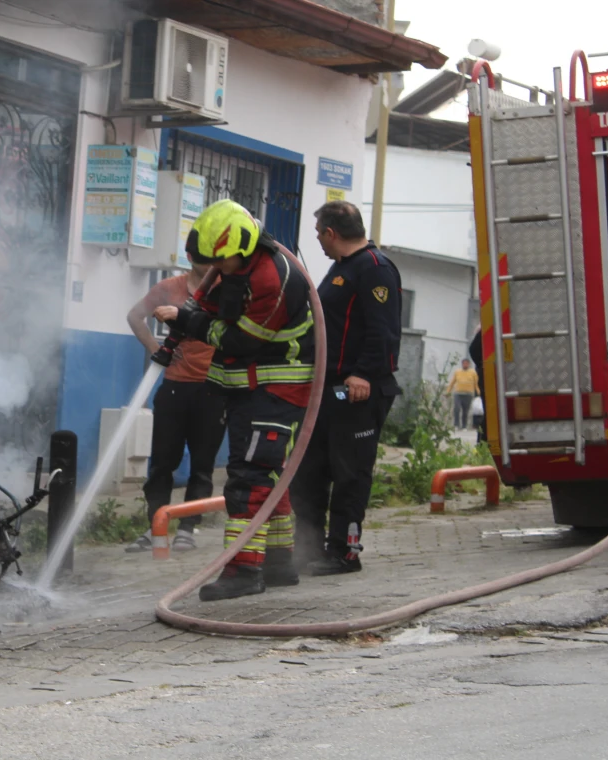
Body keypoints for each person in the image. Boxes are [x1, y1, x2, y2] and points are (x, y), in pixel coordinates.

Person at [153, 199, 314, 600]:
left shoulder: (273, 280)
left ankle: (243, 572)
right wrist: (186, 316)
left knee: (249, 479)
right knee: (270, 478)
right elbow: (214, 305)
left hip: (275, 390)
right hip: (253, 390)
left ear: (239, 250)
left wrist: (189, 321)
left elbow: (240, 339)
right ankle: (278, 564)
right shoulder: (239, 265)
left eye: (218, 263)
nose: (214, 271)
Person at [290, 201, 402, 576]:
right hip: (328, 390)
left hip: (356, 392)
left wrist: (364, 375)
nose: (318, 241)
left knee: (350, 475)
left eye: (319, 233)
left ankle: (344, 552)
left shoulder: (374, 269)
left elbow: (382, 330)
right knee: (310, 473)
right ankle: (309, 547)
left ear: (331, 233)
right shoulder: (341, 270)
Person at [123, 251, 225, 554]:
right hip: (174, 387)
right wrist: (157, 349)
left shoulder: (227, 290)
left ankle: (188, 528)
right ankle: (156, 524)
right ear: (191, 256)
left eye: (215, 258)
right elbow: (134, 315)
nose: (210, 264)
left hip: (213, 388)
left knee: (202, 466)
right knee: (162, 462)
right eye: (203, 257)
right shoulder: (171, 287)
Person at [445, 358, 480, 430]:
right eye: (464, 363)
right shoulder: (457, 372)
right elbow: (452, 382)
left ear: (469, 364)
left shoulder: (473, 373)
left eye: (466, 363)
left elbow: (476, 384)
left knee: (465, 411)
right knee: (457, 409)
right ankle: (456, 425)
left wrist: (478, 393)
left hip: (468, 394)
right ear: (462, 364)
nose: (465, 365)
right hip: (458, 393)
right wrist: (448, 391)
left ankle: (464, 426)